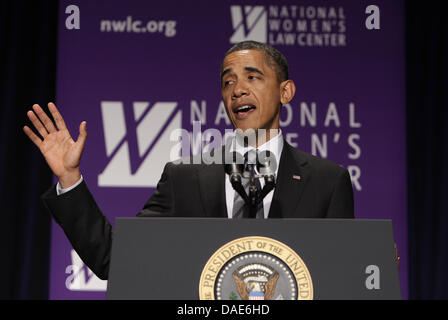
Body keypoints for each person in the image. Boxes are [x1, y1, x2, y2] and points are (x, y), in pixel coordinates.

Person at [23, 41, 354, 280]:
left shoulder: (327, 180)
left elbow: (343, 277)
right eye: (228, 82)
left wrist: (370, 261)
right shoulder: (185, 179)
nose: (237, 90)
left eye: (252, 77)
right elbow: (115, 259)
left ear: (285, 92)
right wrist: (69, 178)